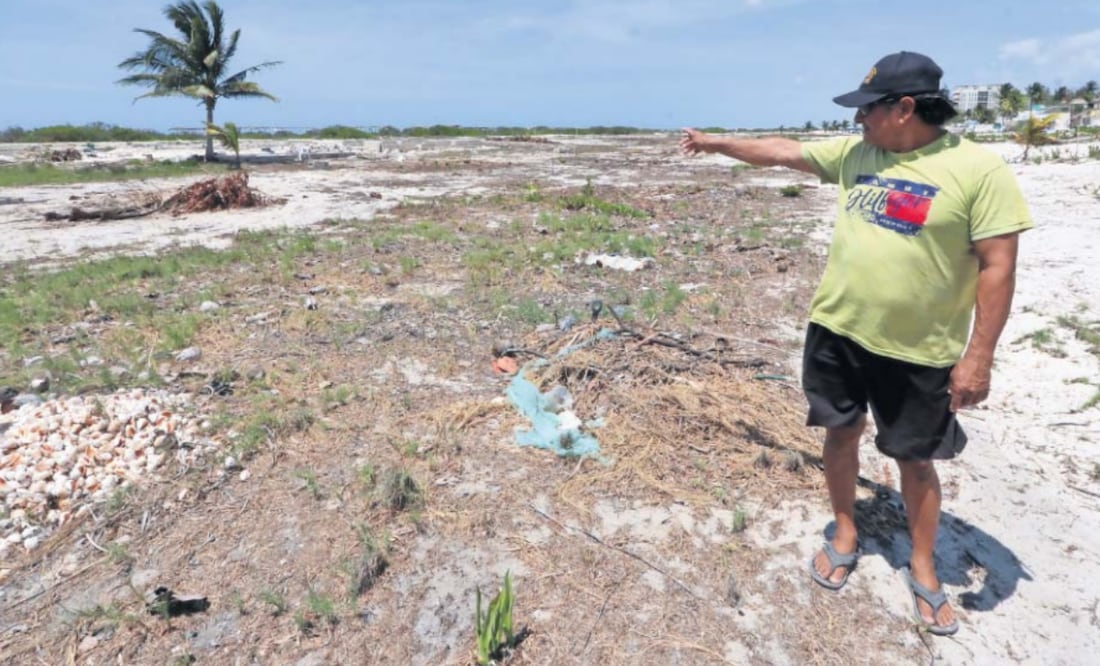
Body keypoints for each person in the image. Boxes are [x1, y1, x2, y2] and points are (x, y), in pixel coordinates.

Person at [680, 51, 1032, 636]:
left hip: (919, 350)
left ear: (905, 108)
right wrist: (717, 145)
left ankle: (923, 567)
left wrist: (979, 356)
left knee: (914, 460)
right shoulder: (856, 155)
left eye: (867, 109)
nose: (858, 120)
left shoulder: (978, 171)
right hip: (838, 331)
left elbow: (999, 266)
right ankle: (845, 529)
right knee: (840, 433)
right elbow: (784, 151)